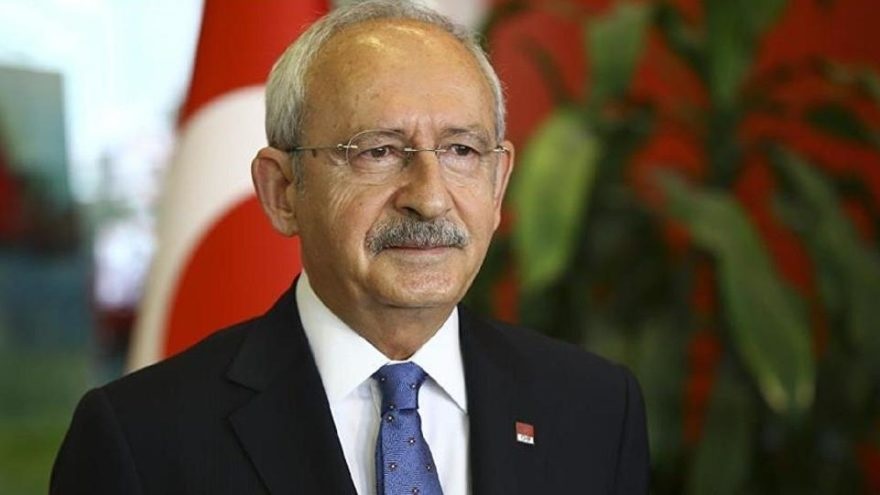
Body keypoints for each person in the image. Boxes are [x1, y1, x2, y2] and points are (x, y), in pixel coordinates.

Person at [51, 1, 649, 493]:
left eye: (462, 151)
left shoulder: (596, 408)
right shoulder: (141, 438)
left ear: (498, 185)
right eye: (378, 151)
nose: (429, 198)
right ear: (283, 191)